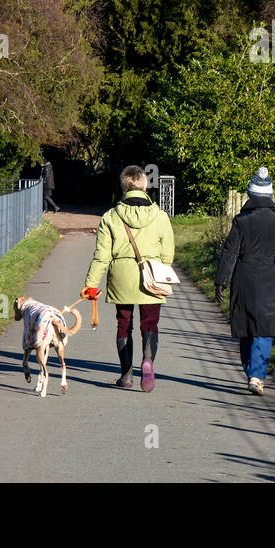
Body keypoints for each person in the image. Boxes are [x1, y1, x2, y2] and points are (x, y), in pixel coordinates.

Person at [80, 165, 174, 391]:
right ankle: (148, 358)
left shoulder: (111, 216)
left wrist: (91, 285)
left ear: (124, 186)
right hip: (152, 274)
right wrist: (159, 269)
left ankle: (126, 374)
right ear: (145, 185)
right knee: (150, 323)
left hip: (121, 276)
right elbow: (168, 254)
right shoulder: (160, 216)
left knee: (124, 323)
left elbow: (101, 256)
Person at [215, 166, 275, 395]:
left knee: (246, 328)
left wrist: (221, 281)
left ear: (250, 195)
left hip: (245, 279)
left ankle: (251, 371)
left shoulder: (241, 221)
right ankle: (256, 375)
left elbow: (230, 252)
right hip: (273, 280)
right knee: (264, 329)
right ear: (270, 195)